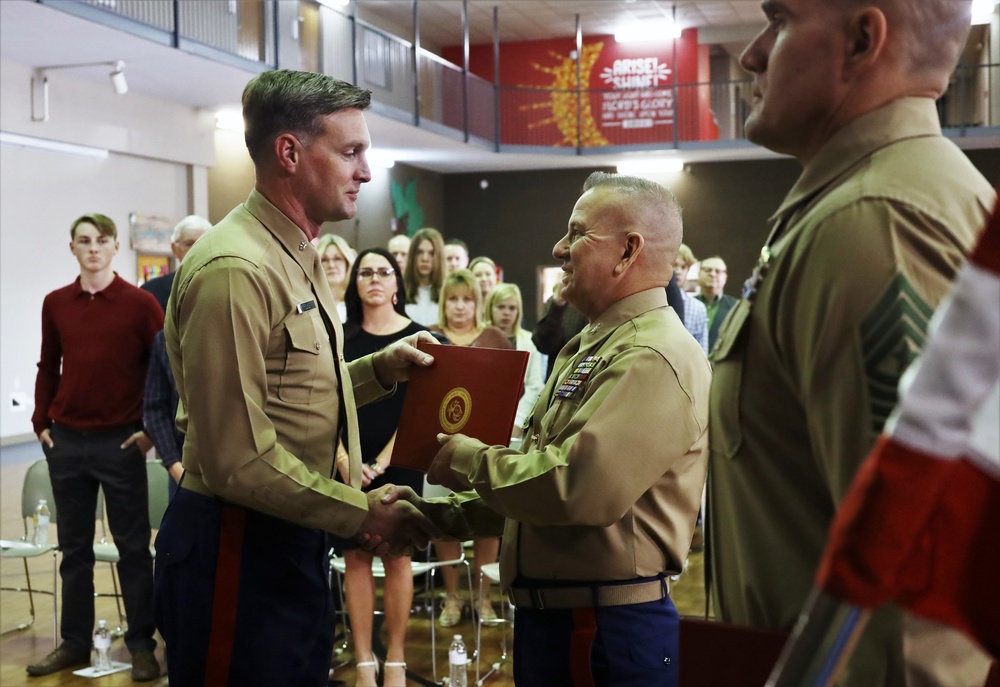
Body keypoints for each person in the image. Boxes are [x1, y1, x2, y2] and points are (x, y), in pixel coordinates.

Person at [707, 2, 996, 686]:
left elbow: (904, 603)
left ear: (864, 40)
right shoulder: (905, 197)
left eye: (780, 22)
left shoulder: (875, 225)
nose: (750, 55)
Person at [152, 69, 440, 687]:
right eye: (351, 151)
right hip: (237, 544)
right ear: (289, 152)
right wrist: (361, 514)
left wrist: (379, 370)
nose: (365, 171)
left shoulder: (296, 249)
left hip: (290, 534)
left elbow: (291, 387)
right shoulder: (236, 267)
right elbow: (237, 458)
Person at [417, 172, 710, 686]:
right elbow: (540, 495)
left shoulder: (653, 355)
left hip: (605, 629)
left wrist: (464, 459)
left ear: (628, 251)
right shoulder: (595, 343)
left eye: (576, 234)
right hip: (561, 621)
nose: (558, 249)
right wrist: (437, 518)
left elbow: (576, 489)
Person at [29, 213, 163, 681]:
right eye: (84, 241)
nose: (93, 249)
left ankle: (143, 645)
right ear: (72, 248)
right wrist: (40, 421)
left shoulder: (141, 304)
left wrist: (150, 430)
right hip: (66, 441)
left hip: (121, 442)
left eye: (101, 241)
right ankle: (73, 644)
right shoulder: (56, 303)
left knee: (132, 551)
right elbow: (48, 364)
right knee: (74, 552)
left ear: (115, 247)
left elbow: (164, 370)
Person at [338, 249, 429, 687]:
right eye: (365, 272)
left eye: (384, 272)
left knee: (397, 556)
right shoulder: (339, 337)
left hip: (401, 459)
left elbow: (421, 408)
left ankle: (394, 658)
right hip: (346, 465)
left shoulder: (419, 337)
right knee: (355, 555)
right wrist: (345, 461)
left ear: (397, 284)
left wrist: (380, 463)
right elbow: (325, 405)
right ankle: (362, 662)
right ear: (355, 283)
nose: (374, 278)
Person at [426, 268, 511, 626]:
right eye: (453, 299)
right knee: (444, 520)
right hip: (436, 445)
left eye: (467, 299)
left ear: (478, 304)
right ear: (443, 303)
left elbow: (512, 388)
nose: (460, 307)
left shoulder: (494, 336)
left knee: (487, 521)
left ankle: (483, 599)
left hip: (485, 445)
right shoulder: (429, 337)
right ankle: (452, 597)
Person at [143, 219, 212, 500]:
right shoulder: (162, 334)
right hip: (182, 457)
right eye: (190, 244)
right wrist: (173, 463)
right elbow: (155, 402)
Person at [484, 282, 546, 440]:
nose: (506, 313)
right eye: (501, 307)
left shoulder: (529, 341)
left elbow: (535, 386)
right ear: (490, 308)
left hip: (518, 417)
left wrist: (517, 421)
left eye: (512, 308)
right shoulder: (479, 337)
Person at [140, 215, 212, 311]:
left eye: (203, 243)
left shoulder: (225, 287)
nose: (196, 250)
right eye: (189, 244)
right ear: (174, 248)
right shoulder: (151, 291)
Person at [532, 279, 589, 379]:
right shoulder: (557, 301)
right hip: (559, 378)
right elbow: (543, 345)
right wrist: (557, 305)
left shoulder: (605, 302)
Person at [403, 227, 445, 326]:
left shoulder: (446, 293)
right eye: (419, 252)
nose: (425, 259)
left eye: (431, 253)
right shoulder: (399, 292)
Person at [673, 244, 709, 353]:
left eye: (683, 267)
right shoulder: (652, 300)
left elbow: (702, 353)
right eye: (674, 265)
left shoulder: (698, 308)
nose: (678, 271)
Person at [695, 255, 736, 350]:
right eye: (708, 270)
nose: (712, 274)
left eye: (718, 271)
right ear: (699, 274)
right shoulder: (687, 305)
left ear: (725, 277)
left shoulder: (735, 307)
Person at [316, 233, 357, 322]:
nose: (331, 265)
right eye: (324, 260)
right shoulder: (311, 303)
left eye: (337, 258)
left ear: (347, 263)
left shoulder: (358, 301)